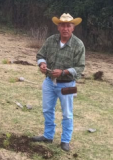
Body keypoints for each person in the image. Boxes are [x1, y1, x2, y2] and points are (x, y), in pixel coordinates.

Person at [32, 13, 85, 152]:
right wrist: (42, 64)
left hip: (68, 85)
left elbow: (80, 68)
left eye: (68, 25)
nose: (65, 28)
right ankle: (48, 136)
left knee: (67, 113)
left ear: (73, 28)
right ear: (58, 27)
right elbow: (40, 55)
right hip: (49, 82)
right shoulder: (51, 40)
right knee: (47, 109)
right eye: (62, 25)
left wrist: (63, 72)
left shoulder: (78, 45)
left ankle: (65, 140)